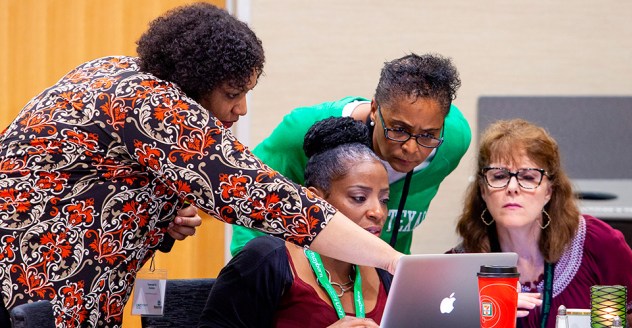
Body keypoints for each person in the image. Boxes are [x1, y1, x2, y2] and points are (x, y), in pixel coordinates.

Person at [0, 4, 400, 327]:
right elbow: (260, 195)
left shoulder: (115, 70)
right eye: (231, 93)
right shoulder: (154, 104)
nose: (240, 109)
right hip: (33, 282)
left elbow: (96, 180)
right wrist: (391, 260)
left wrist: (159, 212)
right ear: (193, 82)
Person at [231, 53, 471, 255]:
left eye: (428, 135)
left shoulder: (453, 143)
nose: (411, 148)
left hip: (384, 284)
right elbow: (250, 196)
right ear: (375, 109)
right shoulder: (302, 131)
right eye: (398, 130)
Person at [449, 119, 632, 328]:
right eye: (499, 176)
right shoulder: (456, 268)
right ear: (483, 190)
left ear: (549, 192)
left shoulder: (595, 242)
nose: (512, 187)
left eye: (528, 177)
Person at [201, 117, 392, 327]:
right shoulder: (267, 260)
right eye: (359, 198)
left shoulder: (385, 272)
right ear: (316, 201)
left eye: (384, 200)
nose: (377, 212)